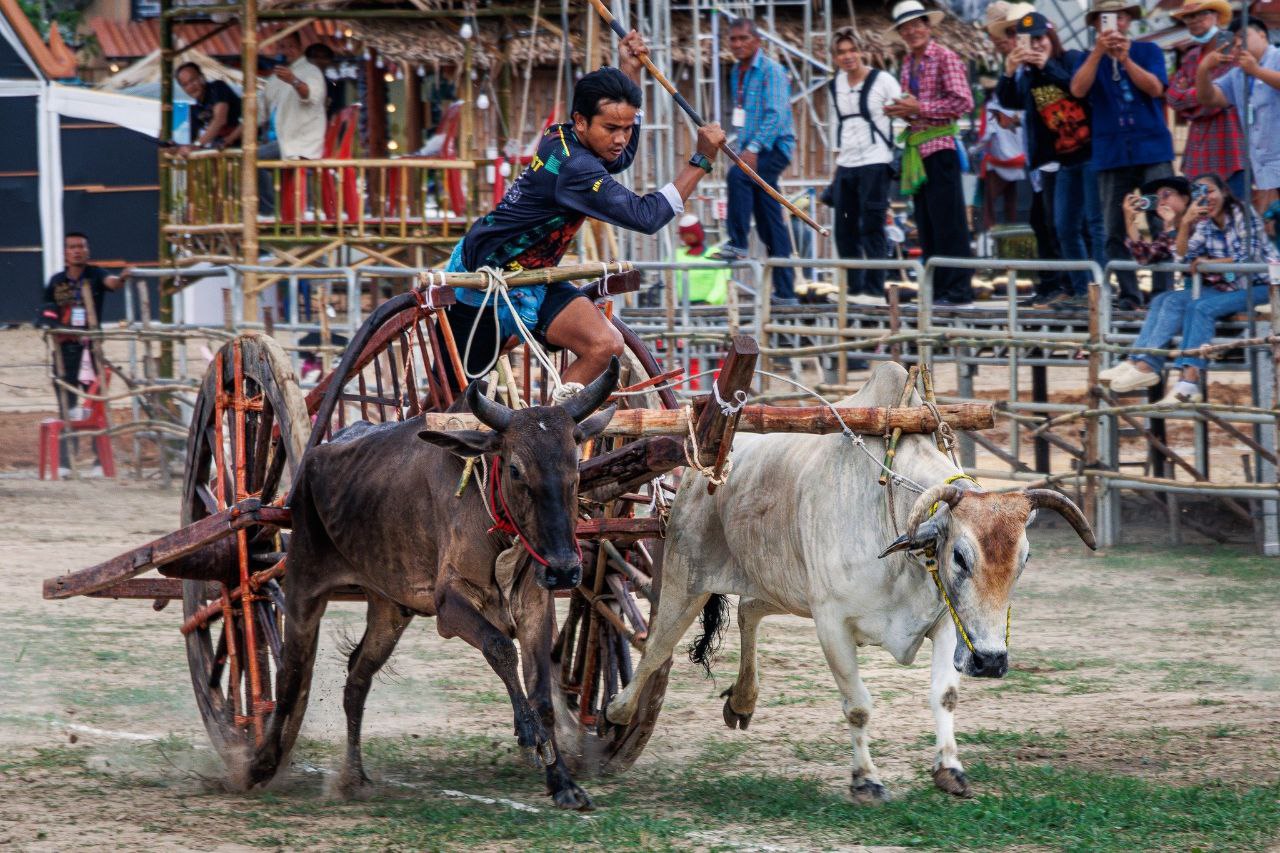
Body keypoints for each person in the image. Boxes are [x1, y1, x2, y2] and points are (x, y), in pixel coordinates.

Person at [444, 31, 726, 388]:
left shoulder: (564, 136)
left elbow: (619, 157)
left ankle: (547, 429)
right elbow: (646, 216)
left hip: (534, 280)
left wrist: (630, 69)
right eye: (611, 128)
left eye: (627, 127)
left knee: (605, 345)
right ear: (581, 121)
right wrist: (700, 161)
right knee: (460, 400)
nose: (621, 138)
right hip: (485, 281)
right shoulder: (574, 167)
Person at [1102, 174, 1278, 404]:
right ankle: (1142, 362)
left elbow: (1246, 258)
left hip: (1263, 285)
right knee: (1162, 300)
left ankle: (1184, 381)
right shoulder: (1198, 219)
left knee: (1198, 307)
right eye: (1200, 193)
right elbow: (1179, 257)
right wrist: (1138, 219)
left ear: (1224, 192)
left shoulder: (1237, 212)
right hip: (1227, 288)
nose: (1161, 201)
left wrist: (1205, 260)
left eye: (1167, 195)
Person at [1070, 0, 1175, 311]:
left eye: (1119, 17)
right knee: (1114, 226)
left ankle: (1162, 293)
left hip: (1152, 149)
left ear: (1129, 20)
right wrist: (1100, 52)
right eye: (1106, 19)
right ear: (1096, 25)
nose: (1113, 24)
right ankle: (1129, 294)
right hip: (1112, 154)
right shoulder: (1087, 58)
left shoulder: (1149, 51)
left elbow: (1156, 89)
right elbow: (1077, 90)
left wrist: (1126, 59)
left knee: (1161, 220)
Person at [1000, 12, 1100, 307]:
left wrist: (1048, 65)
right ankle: (1079, 290)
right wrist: (1009, 69)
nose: (1035, 45)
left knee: (1091, 226)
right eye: (1027, 40)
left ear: (1052, 37)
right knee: (1061, 227)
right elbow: (1009, 101)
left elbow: (1080, 90)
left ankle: (1097, 290)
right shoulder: (1027, 74)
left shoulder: (1073, 59)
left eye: (1040, 38)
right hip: (1054, 161)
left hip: (1089, 154)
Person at [885, 0, 975, 306]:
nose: (912, 32)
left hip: (940, 147)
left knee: (949, 221)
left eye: (916, 25)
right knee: (926, 222)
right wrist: (902, 110)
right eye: (905, 28)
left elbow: (964, 102)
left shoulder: (945, 57)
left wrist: (919, 108)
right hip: (917, 148)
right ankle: (938, 288)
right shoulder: (908, 62)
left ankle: (958, 289)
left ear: (928, 26)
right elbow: (913, 104)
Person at [711, 17, 797, 304]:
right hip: (753, 145)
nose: (737, 44)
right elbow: (743, 115)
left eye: (742, 39)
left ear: (756, 41)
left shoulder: (772, 71)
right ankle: (786, 292)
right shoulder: (738, 72)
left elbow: (776, 115)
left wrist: (755, 148)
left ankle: (737, 243)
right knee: (768, 218)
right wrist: (742, 145)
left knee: (738, 176)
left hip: (774, 146)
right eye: (733, 39)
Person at [36, 233, 128, 471]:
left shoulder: (96, 275)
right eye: (72, 247)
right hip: (64, 351)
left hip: (91, 351)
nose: (77, 251)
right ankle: (67, 462)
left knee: (95, 406)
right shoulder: (57, 281)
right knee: (67, 405)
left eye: (81, 247)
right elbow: (47, 310)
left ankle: (100, 461)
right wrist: (51, 324)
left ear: (87, 251)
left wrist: (122, 278)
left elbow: (113, 283)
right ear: (66, 253)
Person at [828, 26, 900, 298]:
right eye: (841, 52)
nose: (848, 57)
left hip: (876, 159)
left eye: (852, 50)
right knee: (844, 228)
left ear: (861, 52)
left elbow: (902, 113)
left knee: (872, 225)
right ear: (835, 57)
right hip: (847, 161)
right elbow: (836, 123)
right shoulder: (836, 84)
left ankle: (874, 289)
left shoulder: (883, 80)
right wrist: (836, 164)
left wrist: (897, 151)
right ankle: (853, 288)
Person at [1165, 0, 1245, 199]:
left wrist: (1192, 94)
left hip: (1231, 150)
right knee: (1202, 218)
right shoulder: (1191, 55)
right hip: (1199, 153)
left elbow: (1221, 99)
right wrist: (1204, 94)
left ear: (1217, 16)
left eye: (1201, 14)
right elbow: (1173, 98)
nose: (1193, 20)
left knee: (1239, 215)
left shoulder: (1234, 52)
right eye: (1188, 16)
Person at [1196, 17, 1280, 200]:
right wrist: (1203, 69)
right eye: (1234, 43)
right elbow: (1208, 98)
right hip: (1265, 167)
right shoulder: (1236, 74)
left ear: (1262, 35)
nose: (1239, 44)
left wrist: (1257, 71)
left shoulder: (1277, 57)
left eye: (1244, 36)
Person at [258, 33, 326, 213]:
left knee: (252, 158)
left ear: (300, 46)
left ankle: (269, 211)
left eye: (290, 46)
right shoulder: (275, 79)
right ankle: (273, 209)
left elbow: (309, 95)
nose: (286, 50)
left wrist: (293, 81)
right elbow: (259, 114)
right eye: (282, 46)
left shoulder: (311, 71)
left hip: (301, 141)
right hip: (283, 140)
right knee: (250, 155)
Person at [175, 62, 242, 153]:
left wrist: (197, 145)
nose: (191, 87)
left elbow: (220, 120)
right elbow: (193, 142)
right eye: (185, 85)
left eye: (193, 80)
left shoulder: (217, 88)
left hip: (244, 145)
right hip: (222, 151)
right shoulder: (195, 109)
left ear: (202, 77)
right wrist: (177, 148)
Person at [978, 102, 1026, 228]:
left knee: (990, 203)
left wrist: (973, 150)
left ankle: (991, 231)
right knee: (1010, 203)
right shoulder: (1018, 108)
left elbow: (986, 137)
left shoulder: (993, 108)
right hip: (1015, 163)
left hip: (999, 164)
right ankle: (1010, 231)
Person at [673, 214, 730, 305]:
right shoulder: (676, 256)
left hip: (710, 309)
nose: (688, 237)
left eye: (691, 233)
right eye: (685, 234)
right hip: (681, 307)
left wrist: (709, 302)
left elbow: (721, 283)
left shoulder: (716, 254)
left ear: (698, 232)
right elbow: (670, 284)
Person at [304, 42, 346, 120]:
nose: (319, 60)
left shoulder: (333, 87)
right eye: (315, 56)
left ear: (329, 61)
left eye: (324, 57)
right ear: (307, 59)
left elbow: (338, 112)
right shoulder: (300, 81)